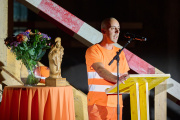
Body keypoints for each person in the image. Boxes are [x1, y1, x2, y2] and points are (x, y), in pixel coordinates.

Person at [85, 17, 130, 120]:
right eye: (113, 28)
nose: (117, 32)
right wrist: (116, 79)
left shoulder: (120, 52)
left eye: (118, 28)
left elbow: (125, 76)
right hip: (97, 104)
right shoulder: (93, 50)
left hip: (116, 104)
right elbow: (100, 70)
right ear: (103, 31)